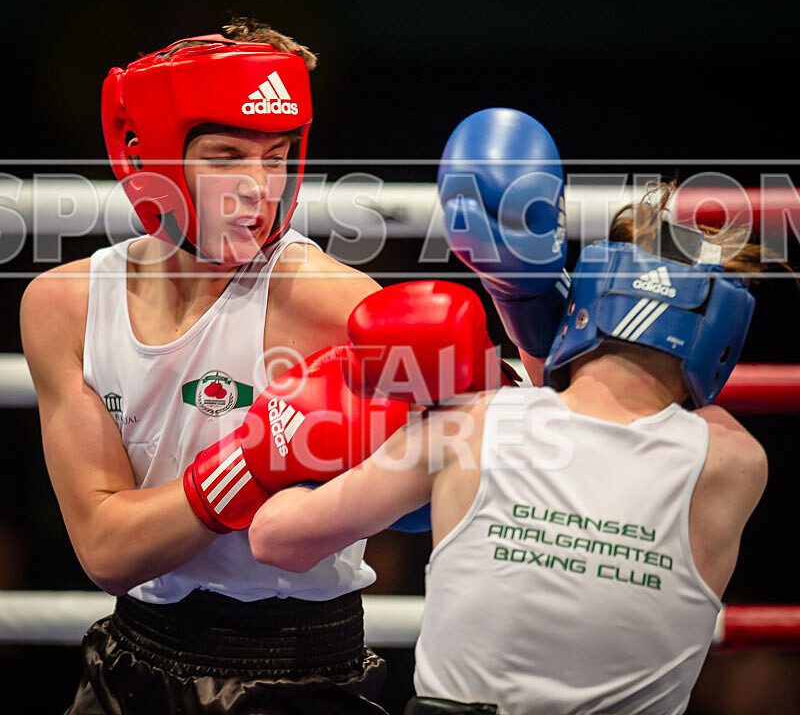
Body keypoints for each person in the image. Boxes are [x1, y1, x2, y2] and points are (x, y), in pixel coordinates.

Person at [20, 18, 431, 715]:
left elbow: (474, 463)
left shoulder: (335, 306)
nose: (258, 187)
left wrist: (393, 480)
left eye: (277, 156)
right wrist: (256, 462)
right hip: (131, 657)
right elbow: (107, 548)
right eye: (226, 155)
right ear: (145, 156)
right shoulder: (63, 305)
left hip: (304, 668)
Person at [248, 181, 770, 715]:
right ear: (721, 339)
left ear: (588, 299)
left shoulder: (469, 427)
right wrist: (529, 309)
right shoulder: (731, 461)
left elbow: (273, 540)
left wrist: (289, 436)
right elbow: (599, 428)